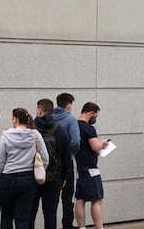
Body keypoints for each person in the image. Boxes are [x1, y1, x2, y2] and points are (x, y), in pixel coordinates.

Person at [0, 107, 49, 229]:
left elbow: (0, 162)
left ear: (15, 119)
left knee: (6, 216)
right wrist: (39, 171)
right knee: (23, 218)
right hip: (28, 179)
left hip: (7, 179)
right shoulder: (35, 135)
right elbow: (45, 158)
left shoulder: (6, 136)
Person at [75, 103, 109, 229]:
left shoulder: (73, 125)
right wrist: (102, 143)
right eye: (96, 115)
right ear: (91, 113)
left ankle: (81, 227)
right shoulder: (88, 128)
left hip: (76, 169)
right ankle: (99, 227)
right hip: (90, 170)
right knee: (97, 200)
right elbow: (95, 147)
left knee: (79, 200)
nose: (95, 118)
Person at [32, 99, 62, 229]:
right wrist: (64, 176)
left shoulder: (31, 129)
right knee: (50, 214)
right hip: (53, 176)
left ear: (39, 111)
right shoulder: (59, 129)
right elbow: (66, 154)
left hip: (33, 176)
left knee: (30, 213)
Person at [53, 93, 80, 229]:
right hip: (67, 162)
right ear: (69, 105)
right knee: (68, 196)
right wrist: (71, 153)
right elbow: (76, 141)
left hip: (51, 163)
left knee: (52, 198)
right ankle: (67, 225)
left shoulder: (50, 117)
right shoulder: (71, 119)